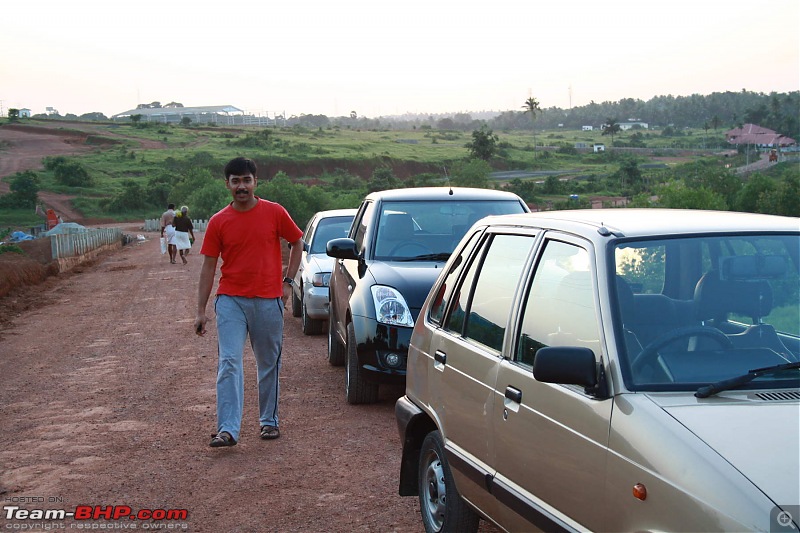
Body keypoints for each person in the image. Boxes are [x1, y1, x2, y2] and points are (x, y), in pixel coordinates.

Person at [195, 157, 303, 448]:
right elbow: (208, 267)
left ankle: (268, 422)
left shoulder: (275, 212)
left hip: (269, 300)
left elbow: (297, 242)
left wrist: (288, 282)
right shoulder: (219, 221)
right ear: (227, 184)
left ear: (255, 182)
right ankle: (227, 430)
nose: (241, 186)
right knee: (229, 361)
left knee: (268, 363)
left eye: (246, 180)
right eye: (235, 181)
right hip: (231, 300)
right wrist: (200, 311)